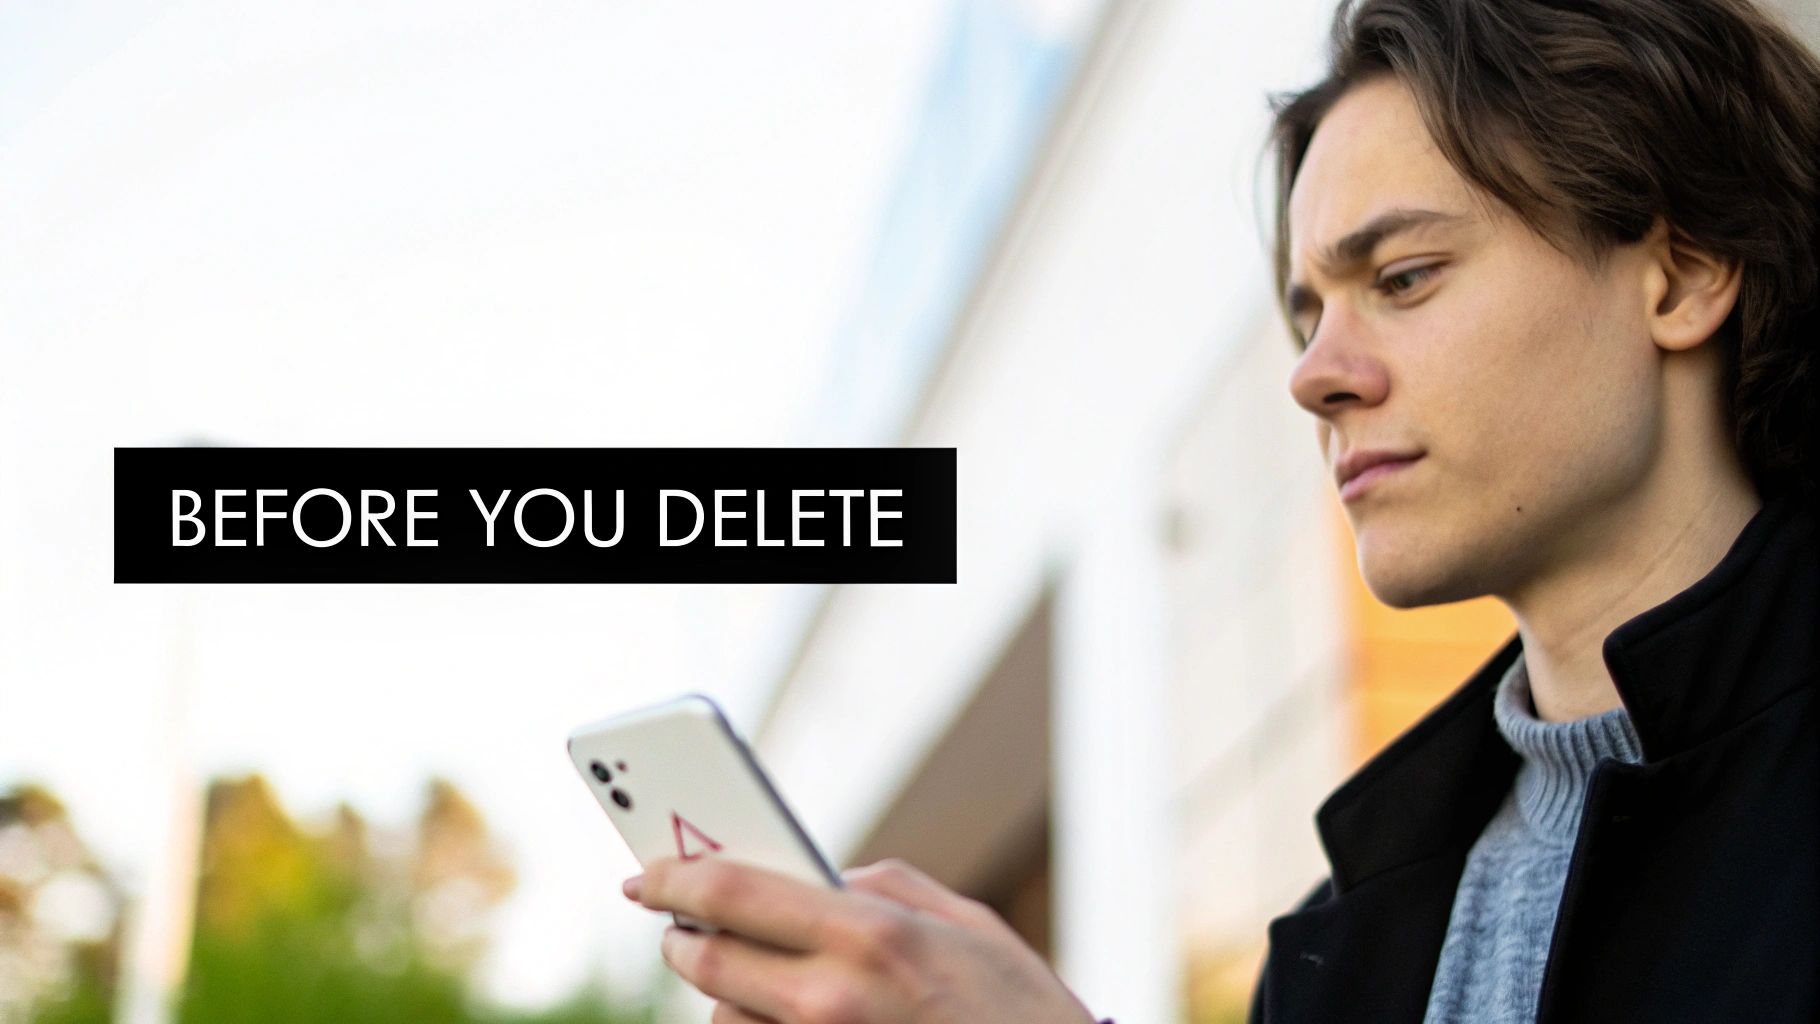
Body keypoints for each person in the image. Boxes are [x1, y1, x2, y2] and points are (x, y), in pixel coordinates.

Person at [618, 0, 1820, 1020]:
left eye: (1400, 278)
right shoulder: (1336, 932)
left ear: (1682, 271)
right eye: (1307, 315)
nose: (1312, 373)